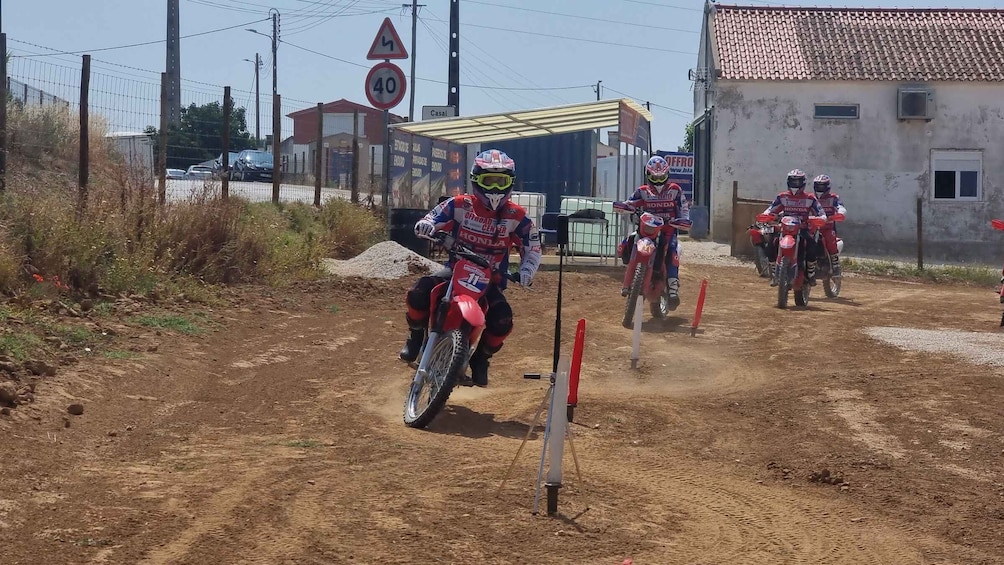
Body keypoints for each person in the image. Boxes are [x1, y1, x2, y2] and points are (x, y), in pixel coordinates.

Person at [399, 149, 541, 387]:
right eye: (489, 181)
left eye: (501, 182)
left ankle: (481, 359)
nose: (495, 189)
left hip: (491, 280)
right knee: (419, 292)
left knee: (502, 320)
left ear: (510, 184)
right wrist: (425, 225)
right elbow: (432, 218)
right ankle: (415, 335)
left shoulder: (518, 217)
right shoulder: (459, 205)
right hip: (455, 270)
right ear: (476, 180)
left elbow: (533, 247)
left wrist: (527, 271)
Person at [618, 155, 692, 305]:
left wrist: (684, 220)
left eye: (661, 178)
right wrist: (623, 207)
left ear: (667, 175)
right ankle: (628, 279)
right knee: (630, 239)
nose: (658, 182)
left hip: (668, 229)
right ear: (648, 175)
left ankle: (672, 289)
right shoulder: (642, 191)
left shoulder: (675, 190)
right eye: (654, 178)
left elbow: (684, 207)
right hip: (647, 229)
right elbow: (630, 202)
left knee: (672, 250)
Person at [762, 169, 826, 286]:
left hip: (802, 228)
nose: (795, 184)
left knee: (812, 245)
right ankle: (773, 272)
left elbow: (820, 212)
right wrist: (766, 215)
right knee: (771, 244)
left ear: (803, 182)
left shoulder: (810, 198)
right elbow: (771, 208)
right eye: (792, 181)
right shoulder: (782, 196)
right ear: (788, 181)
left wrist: (821, 218)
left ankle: (811, 273)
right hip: (785, 228)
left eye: (797, 182)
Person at [812, 174, 847, 276]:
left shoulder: (833, 198)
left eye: (822, 186)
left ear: (827, 187)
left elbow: (840, 206)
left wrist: (840, 213)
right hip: (812, 227)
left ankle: (835, 264)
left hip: (827, 227)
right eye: (818, 186)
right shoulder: (811, 198)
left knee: (829, 239)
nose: (820, 188)